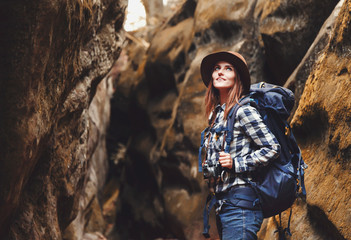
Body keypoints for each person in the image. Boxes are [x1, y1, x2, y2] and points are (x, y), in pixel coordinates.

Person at [200, 51, 281, 240]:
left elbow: (272, 148)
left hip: (241, 207)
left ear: (237, 78)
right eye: (216, 68)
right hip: (224, 206)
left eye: (228, 68)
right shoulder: (216, 115)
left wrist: (236, 163)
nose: (220, 72)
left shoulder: (244, 111)